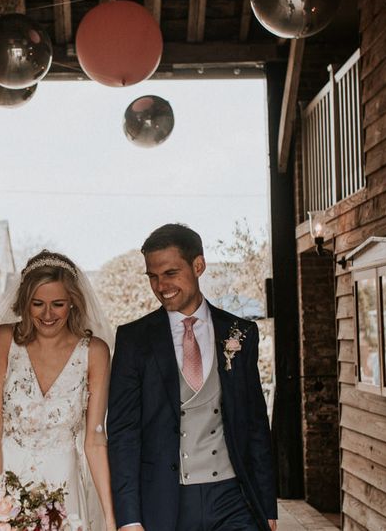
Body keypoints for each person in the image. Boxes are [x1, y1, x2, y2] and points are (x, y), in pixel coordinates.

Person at [107, 223, 277, 531]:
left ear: (198, 265)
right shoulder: (134, 340)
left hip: (233, 498)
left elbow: (255, 424)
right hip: (166, 501)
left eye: (170, 273)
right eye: (153, 276)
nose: (161, 286)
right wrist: (129, 518)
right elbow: (123, 435)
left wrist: (267, 505)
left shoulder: (240, 333)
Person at [0, 250, 117, 531]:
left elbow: (95, 439)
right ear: (24, 302)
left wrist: (111, 520)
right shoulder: (3, 340)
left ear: (73, 304)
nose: (48, 314)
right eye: (37, 303)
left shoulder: (95, 352)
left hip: (62, 486)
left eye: (58, 304)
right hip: (0, 477)